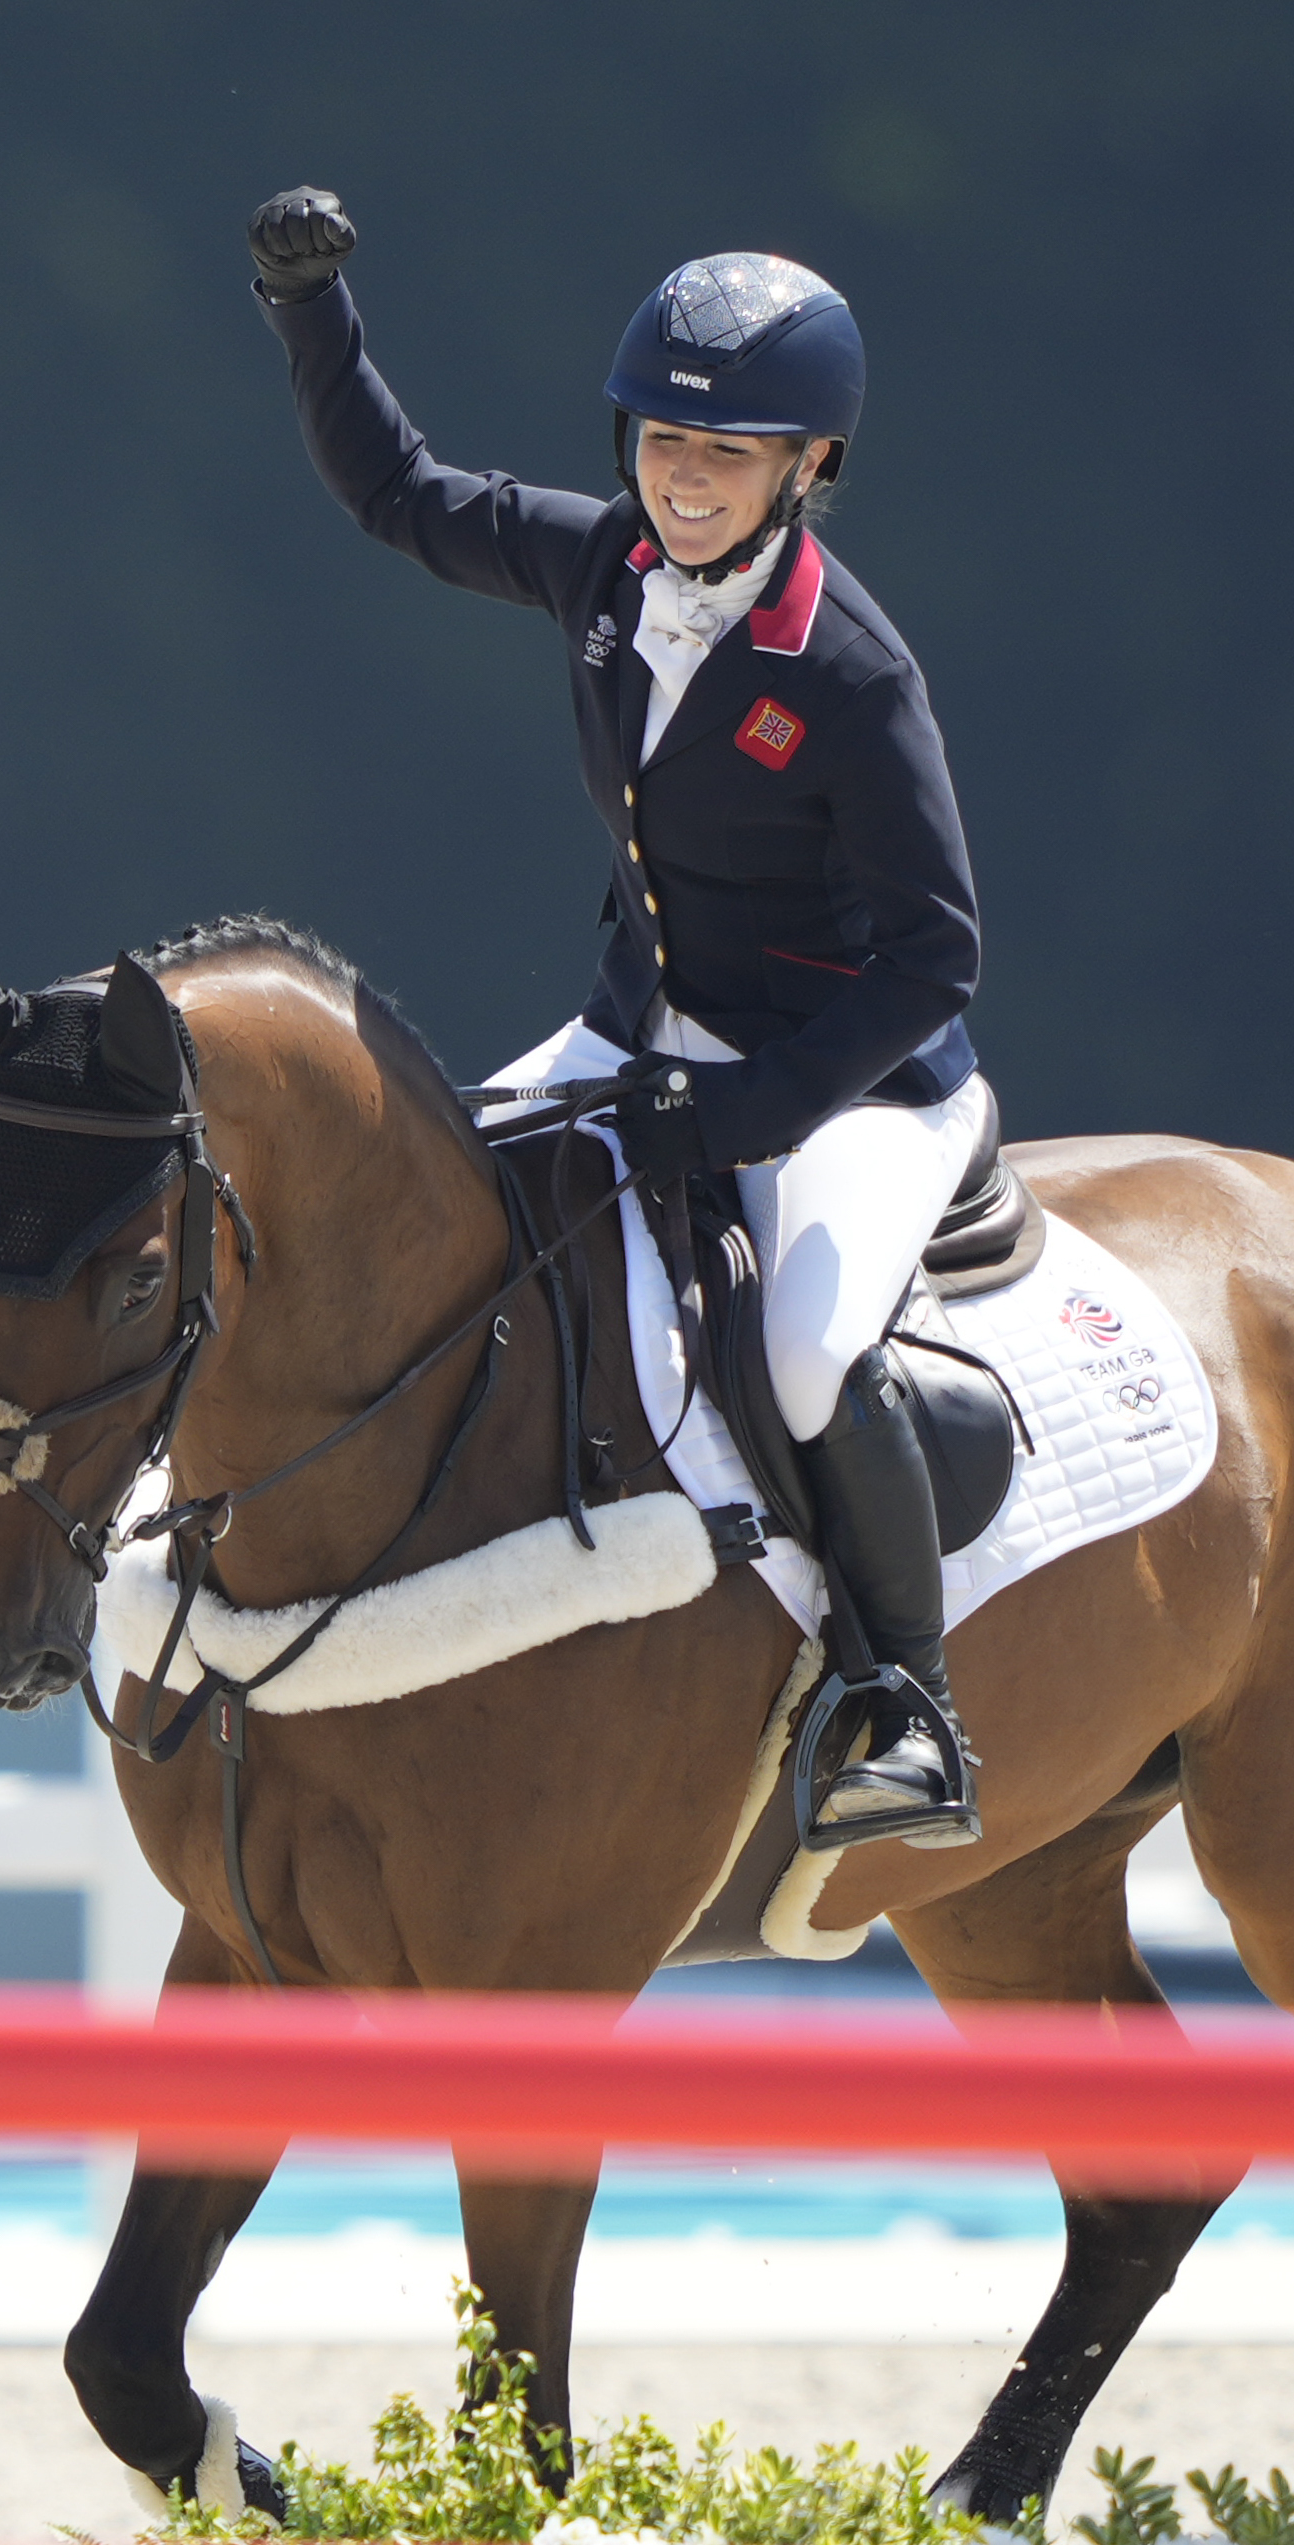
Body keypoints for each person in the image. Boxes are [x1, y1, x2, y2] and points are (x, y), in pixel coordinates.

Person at [247, 185, 987, 1850]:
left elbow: (936, 959)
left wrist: (740, 1117)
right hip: (638, 1037)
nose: (682, 475)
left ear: (810, 471)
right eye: (662, 437)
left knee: (801, 1353)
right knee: (430, 1225)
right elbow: (397, 494)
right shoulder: (602, 564)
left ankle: (904, 1702)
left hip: (850, 1084)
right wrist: (313, 317)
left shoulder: (851, 676)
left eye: (728, 455)